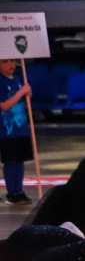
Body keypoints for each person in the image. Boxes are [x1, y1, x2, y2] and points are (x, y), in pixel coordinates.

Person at [0, 59, 33, 206]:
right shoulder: (1, 81)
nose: (10, 65)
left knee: (20, 159)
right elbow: (4, 106)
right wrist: (21, 92)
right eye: (5, 62)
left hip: (21, 127)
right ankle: (12, 192)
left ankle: (19, 190)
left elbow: (23, 100)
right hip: (7, 129)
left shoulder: (19, 79)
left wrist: (28, 94)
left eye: (12, 61)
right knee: (11, 160)